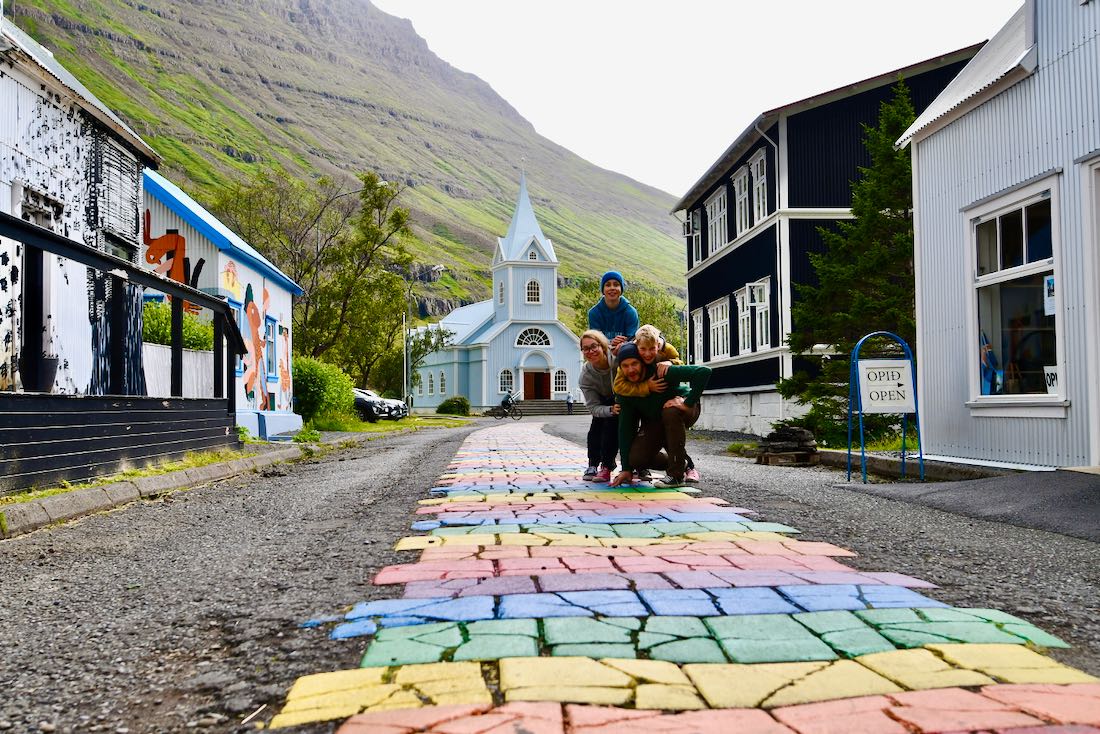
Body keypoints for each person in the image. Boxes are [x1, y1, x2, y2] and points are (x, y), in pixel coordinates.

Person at [609, 342, 711, 489]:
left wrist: (687, 403)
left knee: (670, 412)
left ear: (642, 363)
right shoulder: (625, 391)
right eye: (625, 366)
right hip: (656, 419)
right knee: (636, 459)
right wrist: (626, 469)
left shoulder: (660, 371)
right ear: (620, 368)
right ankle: (681, 463)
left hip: (684, 408)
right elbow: (626, 428)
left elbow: (703, 372)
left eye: (634, 364)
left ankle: (676, 476)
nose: (630, 369)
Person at [577, 329, 619, 482]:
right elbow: (593, 407)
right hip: (603, 402)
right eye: (586, 348)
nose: (590, 351)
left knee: (620, 427)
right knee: (597, 426)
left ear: (602, 345)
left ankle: (635, 466)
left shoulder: (617, 360)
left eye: (594, 346)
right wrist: (610, 410)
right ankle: (594, 464)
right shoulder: (586, 376)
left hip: (625, 397)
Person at [587, 271, 639, 355]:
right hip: (602, 354)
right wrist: (611, 342)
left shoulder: (630, 312)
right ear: (603, 290)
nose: (612, 288)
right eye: (608, 285)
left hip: (625, 353)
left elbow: (633, 339)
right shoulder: (594, 313)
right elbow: (595, 340)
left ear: (621, 289)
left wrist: (622, 344)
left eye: (616, 285)